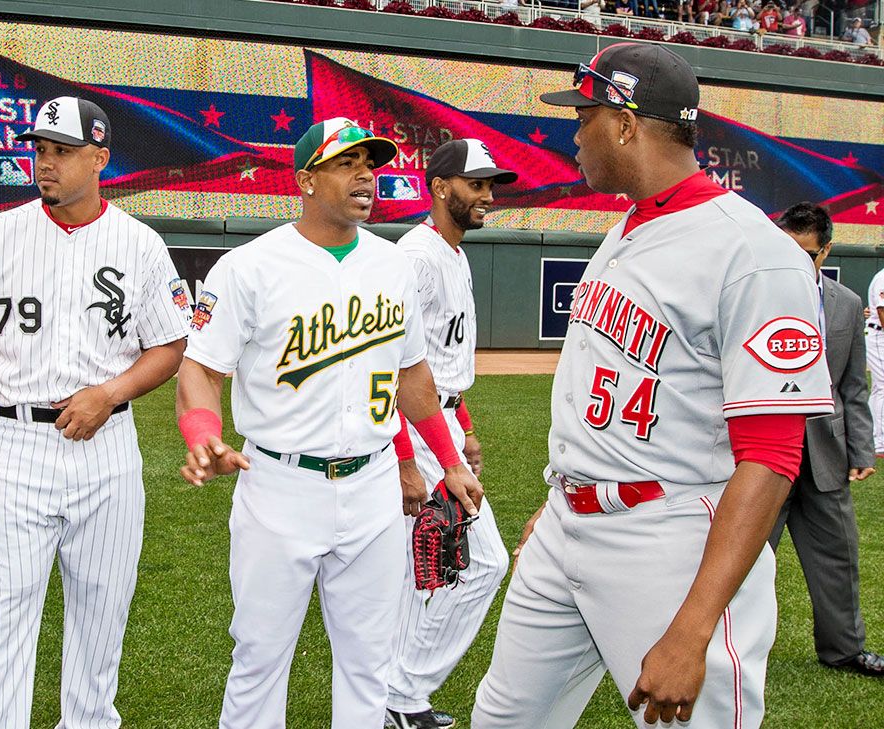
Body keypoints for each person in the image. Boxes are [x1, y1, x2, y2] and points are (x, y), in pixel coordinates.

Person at [474, 42, 833, 728]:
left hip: (669, 538)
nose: (572, 133)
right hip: (569, 526)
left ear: (626, 123)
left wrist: (694, 628)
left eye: (583, 116)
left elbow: (773, 456)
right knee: (504, 718)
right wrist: (566, 495)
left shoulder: (754, 253)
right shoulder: (630, 228)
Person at [176, 117, 483, 729]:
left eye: (370, 163)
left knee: (369, 664)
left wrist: (447, 462)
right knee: (260, 658)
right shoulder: (250, 266)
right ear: (306, 180)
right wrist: (202, 432)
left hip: (372, 488)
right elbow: (200, 370)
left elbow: (414, 377)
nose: (366, 174)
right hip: (280, 485)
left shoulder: (393, 265)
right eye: (346, 163)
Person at [0, 96, 192, 729]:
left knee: (102, 610)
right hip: (17, 444)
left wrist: (111, 393)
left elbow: (171, 345)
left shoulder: (139, 243)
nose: (44, 163)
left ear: (99, 158)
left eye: (62, 151)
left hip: (106, 447)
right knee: (4, 608)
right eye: (40, 149)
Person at [383, 140, 515, 729]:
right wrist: (407, 460)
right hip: (410, 431)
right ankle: (401, 692)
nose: (488, 195)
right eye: (477, 184)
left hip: (440, 425)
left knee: (427, 571)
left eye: (491, 185)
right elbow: (388, 369)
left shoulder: (452, 255)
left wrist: (464, 427)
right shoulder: (416, 259)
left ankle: (395, 699)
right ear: (440, 187)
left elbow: (437, 361)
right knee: (483, 562)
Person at [767, 202, 883, 678]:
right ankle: (717, 646)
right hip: (760, 456)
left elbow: (852, 387)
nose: (796, 264)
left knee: (838, 557)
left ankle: (845, 649)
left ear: (826, 251)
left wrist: (860, 449)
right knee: (740, 560)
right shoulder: (750, 295)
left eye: (807, 255)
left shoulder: (847, 304)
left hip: (826, 455)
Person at [867, 259, 884, 455]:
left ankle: (873, 435)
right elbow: (882, 312)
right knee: (882, 387)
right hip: (879, 335)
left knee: (879, 388)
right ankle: (879, 443)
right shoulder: (882, 277)